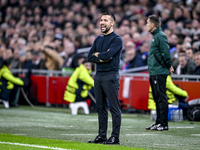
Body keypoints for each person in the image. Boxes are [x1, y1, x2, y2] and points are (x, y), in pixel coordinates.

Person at [87, 12, 122, 144]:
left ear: (112, 23)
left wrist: (100, 56)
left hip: (111, 75)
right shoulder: (98, 39)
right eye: (101, 20)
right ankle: (102, 135)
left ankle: (115, 137)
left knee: (114, 108)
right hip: (99, 75)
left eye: (105, 20)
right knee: (100, 107)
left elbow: (108, 56)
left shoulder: (116, 39)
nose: (102, 22)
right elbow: (89, 57)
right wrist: (103, 56)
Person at [145, 15, 174, 131]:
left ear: (153, 25)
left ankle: (164, 123)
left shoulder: (160, 36)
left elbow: (166, 53)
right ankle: (158, 122)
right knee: (157, 97)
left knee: (161, 97)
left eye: (147, 23)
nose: (146, 25)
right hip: (154, 71)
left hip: (159, 71)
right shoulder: (155, 36)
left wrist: (169, 65)